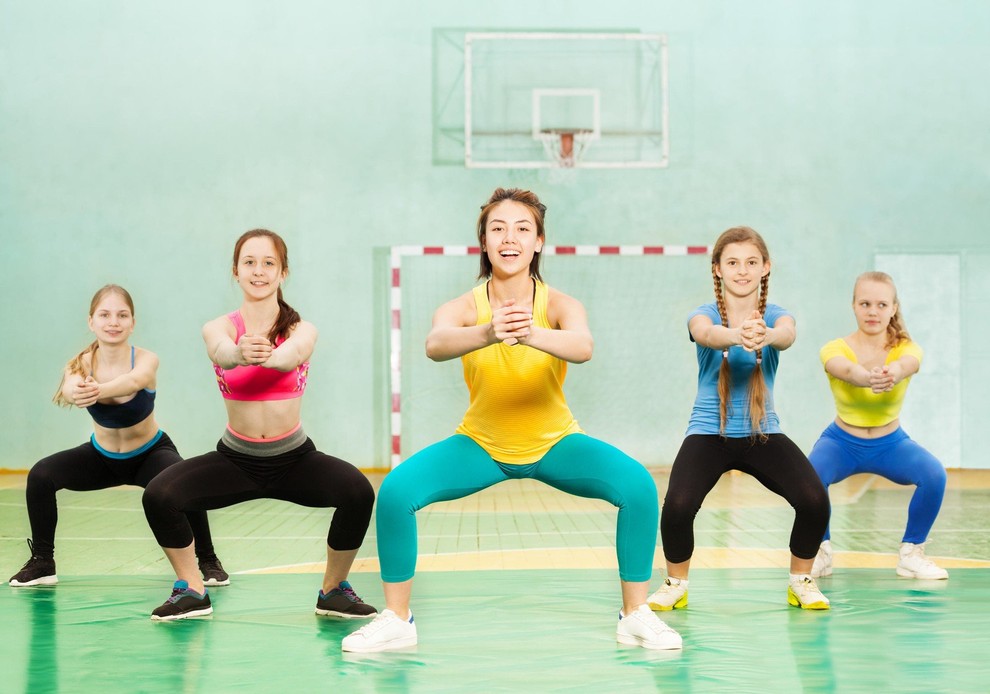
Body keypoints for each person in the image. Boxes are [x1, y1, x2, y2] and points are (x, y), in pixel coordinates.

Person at [341, 187, 681, 653]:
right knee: (397, 492)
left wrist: (531, 332)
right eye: (497, 228)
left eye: (522, 228)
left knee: (639, 488)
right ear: (484, 242)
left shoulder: (560, 305)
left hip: (555, 443)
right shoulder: (465, 305)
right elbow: (436, 343)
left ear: (539, 242)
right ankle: (398, 619)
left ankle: (635, 614)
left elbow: (583, 347)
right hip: (481, 444)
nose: (509, 237)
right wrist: (487, 331)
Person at [141, 229, 377, 620]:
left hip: (294, 458)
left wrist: (266, 353)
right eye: (249, 262)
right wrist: (237, 352)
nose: (259, 271)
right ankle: (192, 588)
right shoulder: (219, 327)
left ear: (283, 272)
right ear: (235, 271)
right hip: (236, 458)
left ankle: (334, 590)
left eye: (269, 263)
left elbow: (291, 357)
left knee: (357, 491)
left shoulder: (302, 328)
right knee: (159, 496)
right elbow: (221, 350)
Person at [648, 226, 832, 612]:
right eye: (732, 262)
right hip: (707, 433)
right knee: (678, 507)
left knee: (815, 500)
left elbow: (787, 335)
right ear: (717, 268)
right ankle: (675, 582)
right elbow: (706, 334)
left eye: (751, 262)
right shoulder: (704, 313)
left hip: (762, 433)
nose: (742, 270)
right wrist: (737, 334)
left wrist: (764, 334)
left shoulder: (776, 316)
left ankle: (801, 579)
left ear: (766, 267)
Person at [8, 285, 227, 588]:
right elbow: (71, 388)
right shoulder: (82, 363)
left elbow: (133, 382)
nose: (113, 321)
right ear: (91, 322)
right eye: (105, 315)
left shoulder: (146, 359)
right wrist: (76, 392)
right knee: (41, 475)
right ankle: (43, 561)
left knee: (182, 481)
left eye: (122, 315)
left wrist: (97, 390)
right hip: (102, 457)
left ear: (132, 323)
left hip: (150, 453)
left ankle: (208, 560)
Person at [809, 271, 948, 580]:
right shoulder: (834, 347)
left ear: (893, 308)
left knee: (934, 475)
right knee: (810, 476)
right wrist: (867, 377)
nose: (873, 311)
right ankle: (820, 551)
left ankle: (912, 553)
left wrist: (893, 372)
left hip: (891, 444)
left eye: (881, 304)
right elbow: (843, 369)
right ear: (854, 306)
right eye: (865, 303)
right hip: (842, 442)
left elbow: (908, 364)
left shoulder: (907, 347)